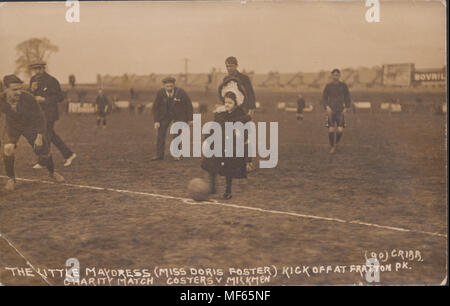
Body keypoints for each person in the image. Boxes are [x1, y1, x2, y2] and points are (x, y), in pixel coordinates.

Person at [0, 75, 64, 191]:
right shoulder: (1, 99)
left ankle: (52, 172)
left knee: (43, 151)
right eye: (14, 90)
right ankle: (11, 179)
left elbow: (40, 117)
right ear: (6, 89)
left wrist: (39, 137)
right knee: (8, 148)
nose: (18, 92)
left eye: (20, 88)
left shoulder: (28, 98)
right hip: (12, 127)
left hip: (30, 126)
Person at [201, 91, 251, 199]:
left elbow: (245, 135)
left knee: (229, 168)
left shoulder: (240, 115)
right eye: (225, 102)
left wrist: (248, 158)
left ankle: (228, 190)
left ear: (236, 104)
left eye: (230, 102)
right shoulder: (221, 114)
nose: (227, 104)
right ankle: (212, 186)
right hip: (218, 143)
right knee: (211, 164)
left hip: (231, 146)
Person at [29, 60, 77, 167]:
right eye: (35, 69)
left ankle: (43, 161)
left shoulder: (51, 80)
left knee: (46, 135)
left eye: (39, 68)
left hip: (50, 113)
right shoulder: (32, 80)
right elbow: (30, 97)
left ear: (43, 68)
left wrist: (44, 99)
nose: (37, 71)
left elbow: (59, 97)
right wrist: (31, 90)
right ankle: (68, 154)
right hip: (38, 114)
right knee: (51, 135)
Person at [220, 56, 256, 172]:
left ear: (236, 66)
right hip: (231, 112)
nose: (229, 68)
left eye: (231, 66)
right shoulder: (225, 79)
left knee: (245, 136)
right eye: (227, 66)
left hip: (243, 110)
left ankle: (248, 162)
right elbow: (224, 95)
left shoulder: (244, 78)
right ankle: (234, 163)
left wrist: (251, 109)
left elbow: (250, 93)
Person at [151, 77, 193, 161]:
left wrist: (190, 119)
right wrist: (156, 121)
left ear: (174, 85)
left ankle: (176, 154)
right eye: (167, 86)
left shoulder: (181, 92)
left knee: (177, 134)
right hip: (164, 116)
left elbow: (189, 105)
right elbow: (155, 107)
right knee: (160, 134)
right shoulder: (160, 93)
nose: (169, 88)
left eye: (171, 86)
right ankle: (159, 155)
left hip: (179, 116)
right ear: (164, 86)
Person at [321, 69, 351, 154]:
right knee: (330, 130)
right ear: (332, 76)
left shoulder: (343, 85)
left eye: (337, 75)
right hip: (331, 110)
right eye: (334, 75)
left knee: (340, 130)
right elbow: (324, 97)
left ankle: (337, 143)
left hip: (340, 110)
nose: (336, 76)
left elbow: (347, 97)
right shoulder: (328, 86)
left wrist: (346, 107)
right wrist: (326, 106)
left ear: (339, 76)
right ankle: (332, 147)